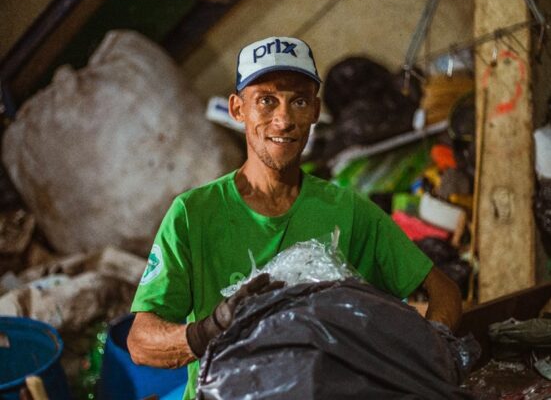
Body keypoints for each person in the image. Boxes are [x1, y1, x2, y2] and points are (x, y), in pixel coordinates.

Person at [127, 36, 462, 400]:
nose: (284, 120)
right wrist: (211, 329)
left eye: (299, 101)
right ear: (238, 109)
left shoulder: (347, 210)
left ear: (315, 110)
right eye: (266, 101)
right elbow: (140, 343)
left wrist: (425, 361)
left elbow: (444, 292)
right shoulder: (194, 214)